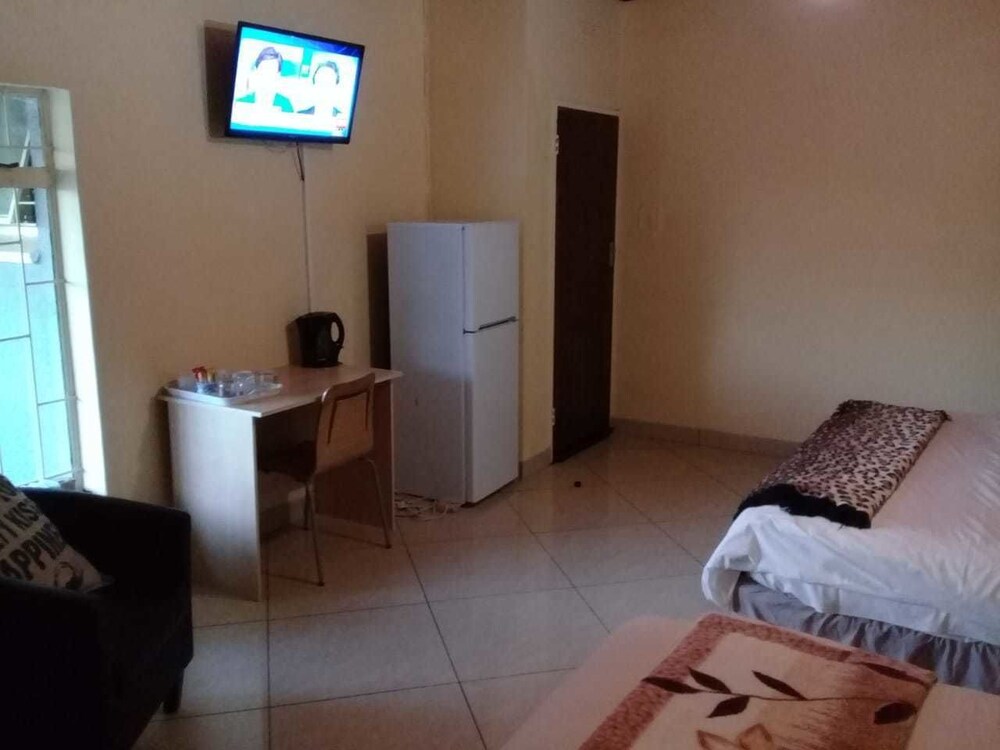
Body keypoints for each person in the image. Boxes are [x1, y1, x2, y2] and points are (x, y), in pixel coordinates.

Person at [236, 47, 293, 113]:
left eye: (271, 71)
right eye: (263, 69)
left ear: (278, 75)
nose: (266, 75)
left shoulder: (285, 104)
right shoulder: (242, 101)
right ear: (256, 70)